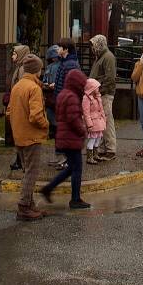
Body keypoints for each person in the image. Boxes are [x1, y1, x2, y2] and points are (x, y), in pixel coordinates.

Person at [39, 69, 91, 209]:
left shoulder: (63, 94)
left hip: (63, 136)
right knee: (77, 169)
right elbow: (73, 118)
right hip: (71, 137)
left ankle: (49, 188)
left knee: (71, 168)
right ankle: (75, 199)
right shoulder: (73, 97)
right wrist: (82, 131)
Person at [7, 53, 49, 221]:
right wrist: (46, 124)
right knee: (31, 172)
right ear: (37, 70)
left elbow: (9, 112)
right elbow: (36, 116)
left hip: (19, 135)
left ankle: (29, 204)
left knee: (27, 170)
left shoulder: (17, 86)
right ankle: (24, 206)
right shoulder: (34, 88)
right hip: (32, 136)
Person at [89, 35, 117, 161]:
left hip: (104, 94)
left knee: (106, 121)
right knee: (101, 122)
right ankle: (102, 148)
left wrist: (99, 91)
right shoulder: (100, 57)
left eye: (93, 44)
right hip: (100, 93)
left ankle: (110, 149)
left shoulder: (108, 57)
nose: (92, 47)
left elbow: (110, 78)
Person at [4, 44, 31, 169]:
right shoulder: (19, 67)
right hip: (17, 104)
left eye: (15, 54)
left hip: (20, 105)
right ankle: (20, 159)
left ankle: (21, 160)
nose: (12, 56)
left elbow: (21, 88)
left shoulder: (22, 69)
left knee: (21, 134)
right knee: (19, 133)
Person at [82, 76, 107, 164]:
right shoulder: (86, 98)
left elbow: (101, 110)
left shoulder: (97, 97)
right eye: (97, 87)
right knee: (92, 139)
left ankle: (95, 154)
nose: (98, 89)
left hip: (99, 121)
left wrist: (104, 119)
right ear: (92, 88)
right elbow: (86, 113)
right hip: (93, 122)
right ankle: (89, 157)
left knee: (98, 138)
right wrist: (89, 124)